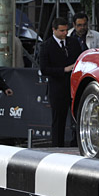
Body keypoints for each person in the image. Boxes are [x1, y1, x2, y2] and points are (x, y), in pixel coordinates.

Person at [39, 16, 82, 148]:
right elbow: (44, 68)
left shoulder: (73, 42)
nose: (64, 33)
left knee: (77, 118)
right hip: (58, 88)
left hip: (74, 87)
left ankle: (78, 144)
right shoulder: (46, 46)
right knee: (58, 119)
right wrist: (63, 70)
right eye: (61, 31)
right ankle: (57, 146)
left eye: (66, 30)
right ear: (54, 30)